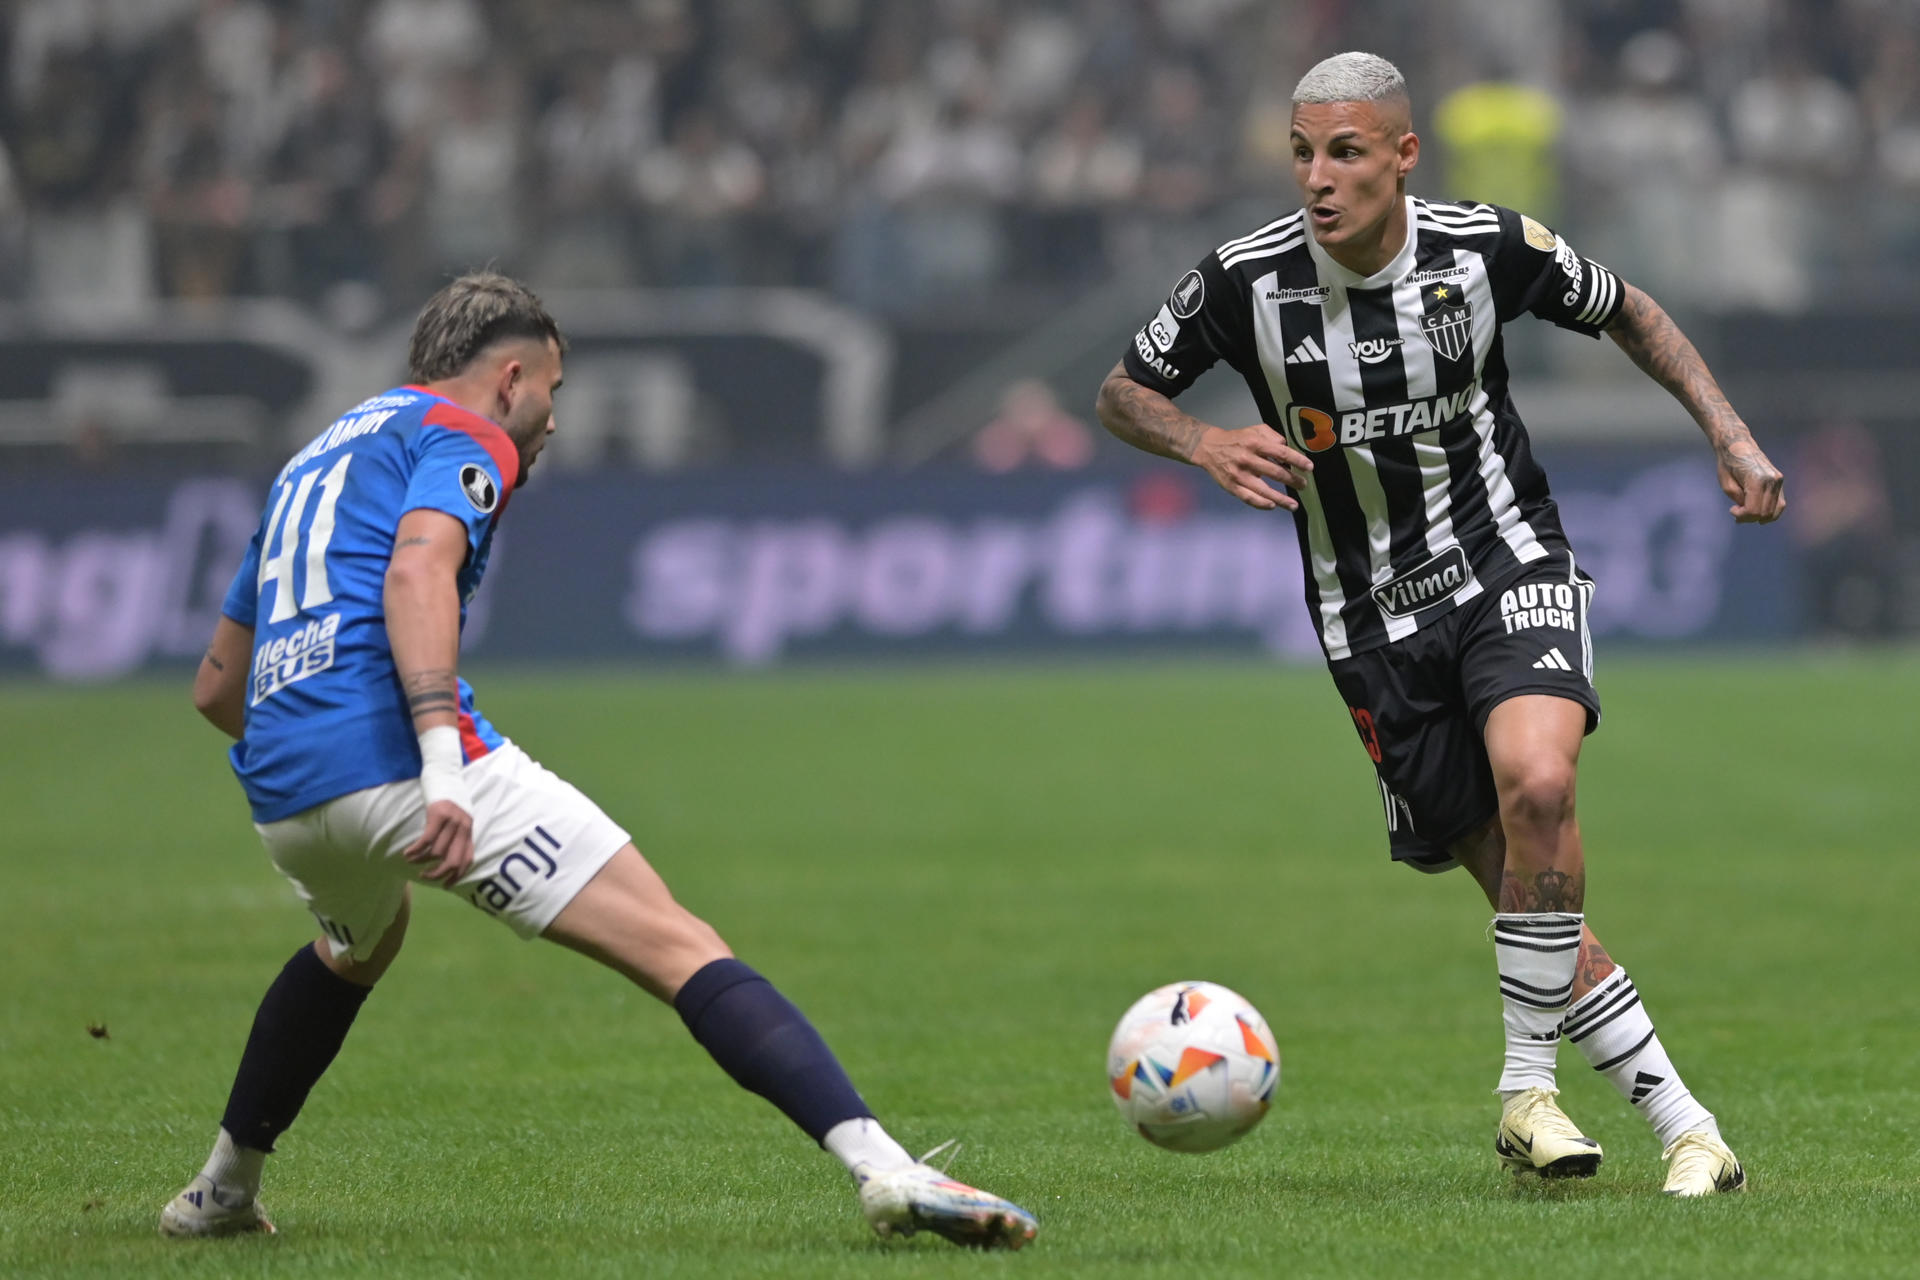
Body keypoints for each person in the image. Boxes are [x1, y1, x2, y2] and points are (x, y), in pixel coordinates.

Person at [160, 272, 1037, 1250]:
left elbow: (214, 689)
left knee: (360, 942)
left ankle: (222, 1188)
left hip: (284, 787)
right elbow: (418, 568)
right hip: (404, 760)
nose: (548, 424)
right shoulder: (465, 432)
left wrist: (317, 755)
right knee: (678, 940)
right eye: (554, 395)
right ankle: (886, 1167)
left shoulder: (307, 467)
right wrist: (438, 770)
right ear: (512, 375)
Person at [1095, 53, 1785, 1197]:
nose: (1320, 178)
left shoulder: (1485, 246)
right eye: (1304, 153)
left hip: (1507, 556)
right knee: (1521, 875)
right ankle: (1687, 1124)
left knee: (1542, 786)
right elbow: (1124, 390)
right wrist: (1204, 441)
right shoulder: (1241, 281)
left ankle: (1525, 1085)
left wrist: (1729, 431)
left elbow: (1632, 312)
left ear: (1403, 156)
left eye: (1348, 152)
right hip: (1367, 621)